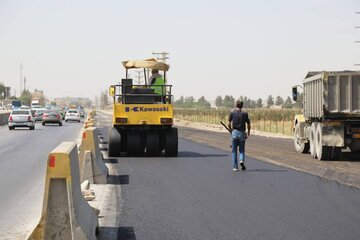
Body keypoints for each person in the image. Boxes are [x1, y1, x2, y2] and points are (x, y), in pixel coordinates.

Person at [228, 100, 251, 171]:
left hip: (234, 133)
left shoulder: (232, 113)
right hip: (242, 133)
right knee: (241, 150)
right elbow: (248, 124)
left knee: (234, 151)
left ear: (236, 105)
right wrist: (248, 132)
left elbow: (228, 124)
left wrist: (231, 130)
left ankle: (235, 167)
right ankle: (241, 160)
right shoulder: (245, 113)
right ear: (242, 105)